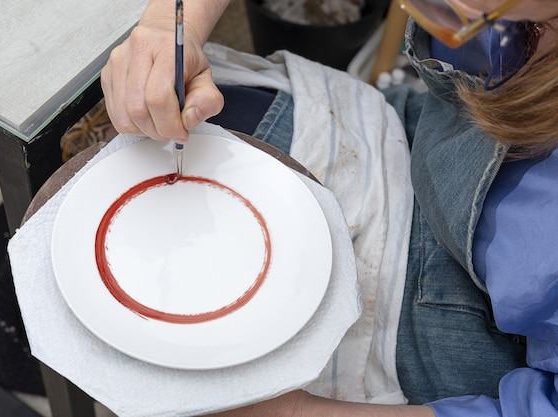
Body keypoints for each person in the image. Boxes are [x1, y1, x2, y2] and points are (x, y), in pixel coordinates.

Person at [100, 0, 558, 416]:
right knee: (180, 129)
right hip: (414, 140)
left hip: (462, 345)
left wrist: (291, 412)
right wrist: (172, 27)